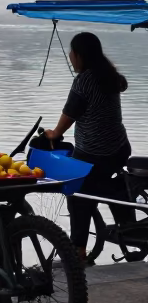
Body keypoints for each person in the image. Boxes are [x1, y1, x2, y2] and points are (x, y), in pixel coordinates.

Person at [42, 31, 134, 259]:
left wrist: (54, 134)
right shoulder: (110, 76)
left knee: (78, 194)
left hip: (95, 152)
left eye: (72, 52)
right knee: (92, 183)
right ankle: (116, 194)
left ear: (80, 55)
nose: (70, 57)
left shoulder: (84, 80)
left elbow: (70, 113)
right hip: (120, 148)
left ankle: (77, 252)